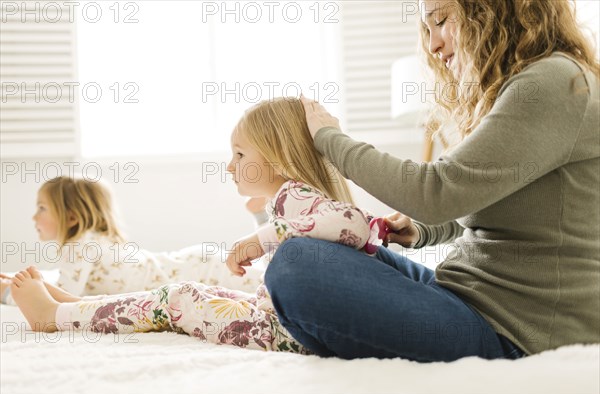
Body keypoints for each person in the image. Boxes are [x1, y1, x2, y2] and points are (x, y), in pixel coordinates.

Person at [262, 0, 600, 362]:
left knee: (297, 264)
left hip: (513, 331)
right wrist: (422, 229)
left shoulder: (557, 82)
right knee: (320, 252)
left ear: (493, 10)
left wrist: (330, 139)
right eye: (427, 29)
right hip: (466, 296)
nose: (433, 44)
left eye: (440, 21)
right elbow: (479, 201)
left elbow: (435, 191)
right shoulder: (530, 83)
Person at [9, 97, 390, 353]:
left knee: (180, 299)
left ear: (279, 158)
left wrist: (260, 237)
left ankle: (53, 318)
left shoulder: (297, 194)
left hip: (286, 331)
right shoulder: (290, 198)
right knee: (186, 293)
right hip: (280, 317)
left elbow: (351, 221)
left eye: (239, 154)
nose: (229, 165)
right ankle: (81, 309)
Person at [0, 175, 265, 305]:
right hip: (196, 263)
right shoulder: (90, 242)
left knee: (271, 284)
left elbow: (64, 296)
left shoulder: (81, 245)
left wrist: (11, 292)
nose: (34, 216)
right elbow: (61, 280)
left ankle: (264, 219)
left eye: (42, 208)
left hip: (204, 271)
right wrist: (14, 278)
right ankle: (263, 218)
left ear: (71, 218)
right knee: (270, 272)